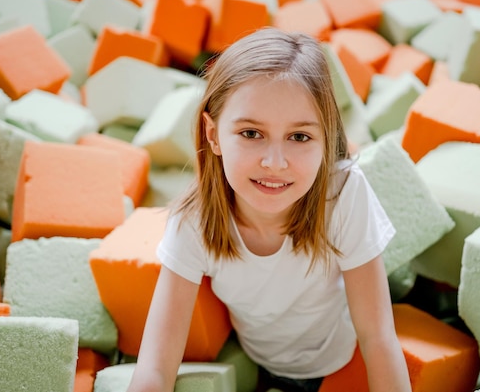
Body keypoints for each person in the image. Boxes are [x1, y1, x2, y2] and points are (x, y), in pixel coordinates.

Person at [126, 27, 411, 392]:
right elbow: (155, 367)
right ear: (213, 135)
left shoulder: (344, 194)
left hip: (342, 357)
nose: (274, 163)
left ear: (325, 139)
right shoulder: (193, 221)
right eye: (251, 134)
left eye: (299, 137)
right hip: (259, 361)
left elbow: (379, 338)